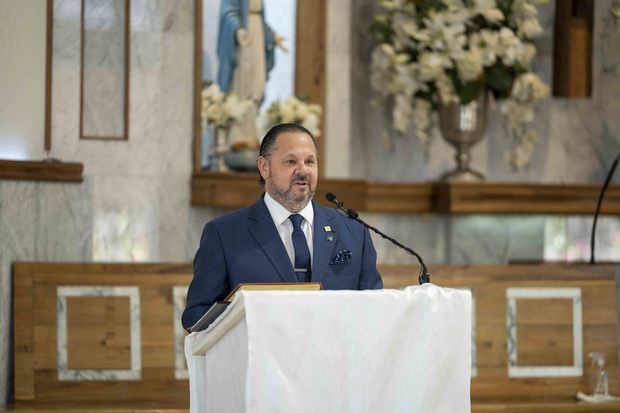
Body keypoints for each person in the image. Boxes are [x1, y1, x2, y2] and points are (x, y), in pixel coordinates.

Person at [182, 124, 383, 330]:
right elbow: (196, 317)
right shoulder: (224, 234)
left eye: (310, 161)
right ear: (264, 167)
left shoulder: (354, 232)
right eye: (291, 161)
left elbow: (375, 310)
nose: (303, 170)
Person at [216, 0, 287, 146]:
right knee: (242, 83)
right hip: (243, 38)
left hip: (257, 38)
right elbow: (228, 12)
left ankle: (251, 133)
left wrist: (273, 36)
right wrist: (237, 29)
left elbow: (260, 19)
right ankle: (237, 135)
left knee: (257, 83)